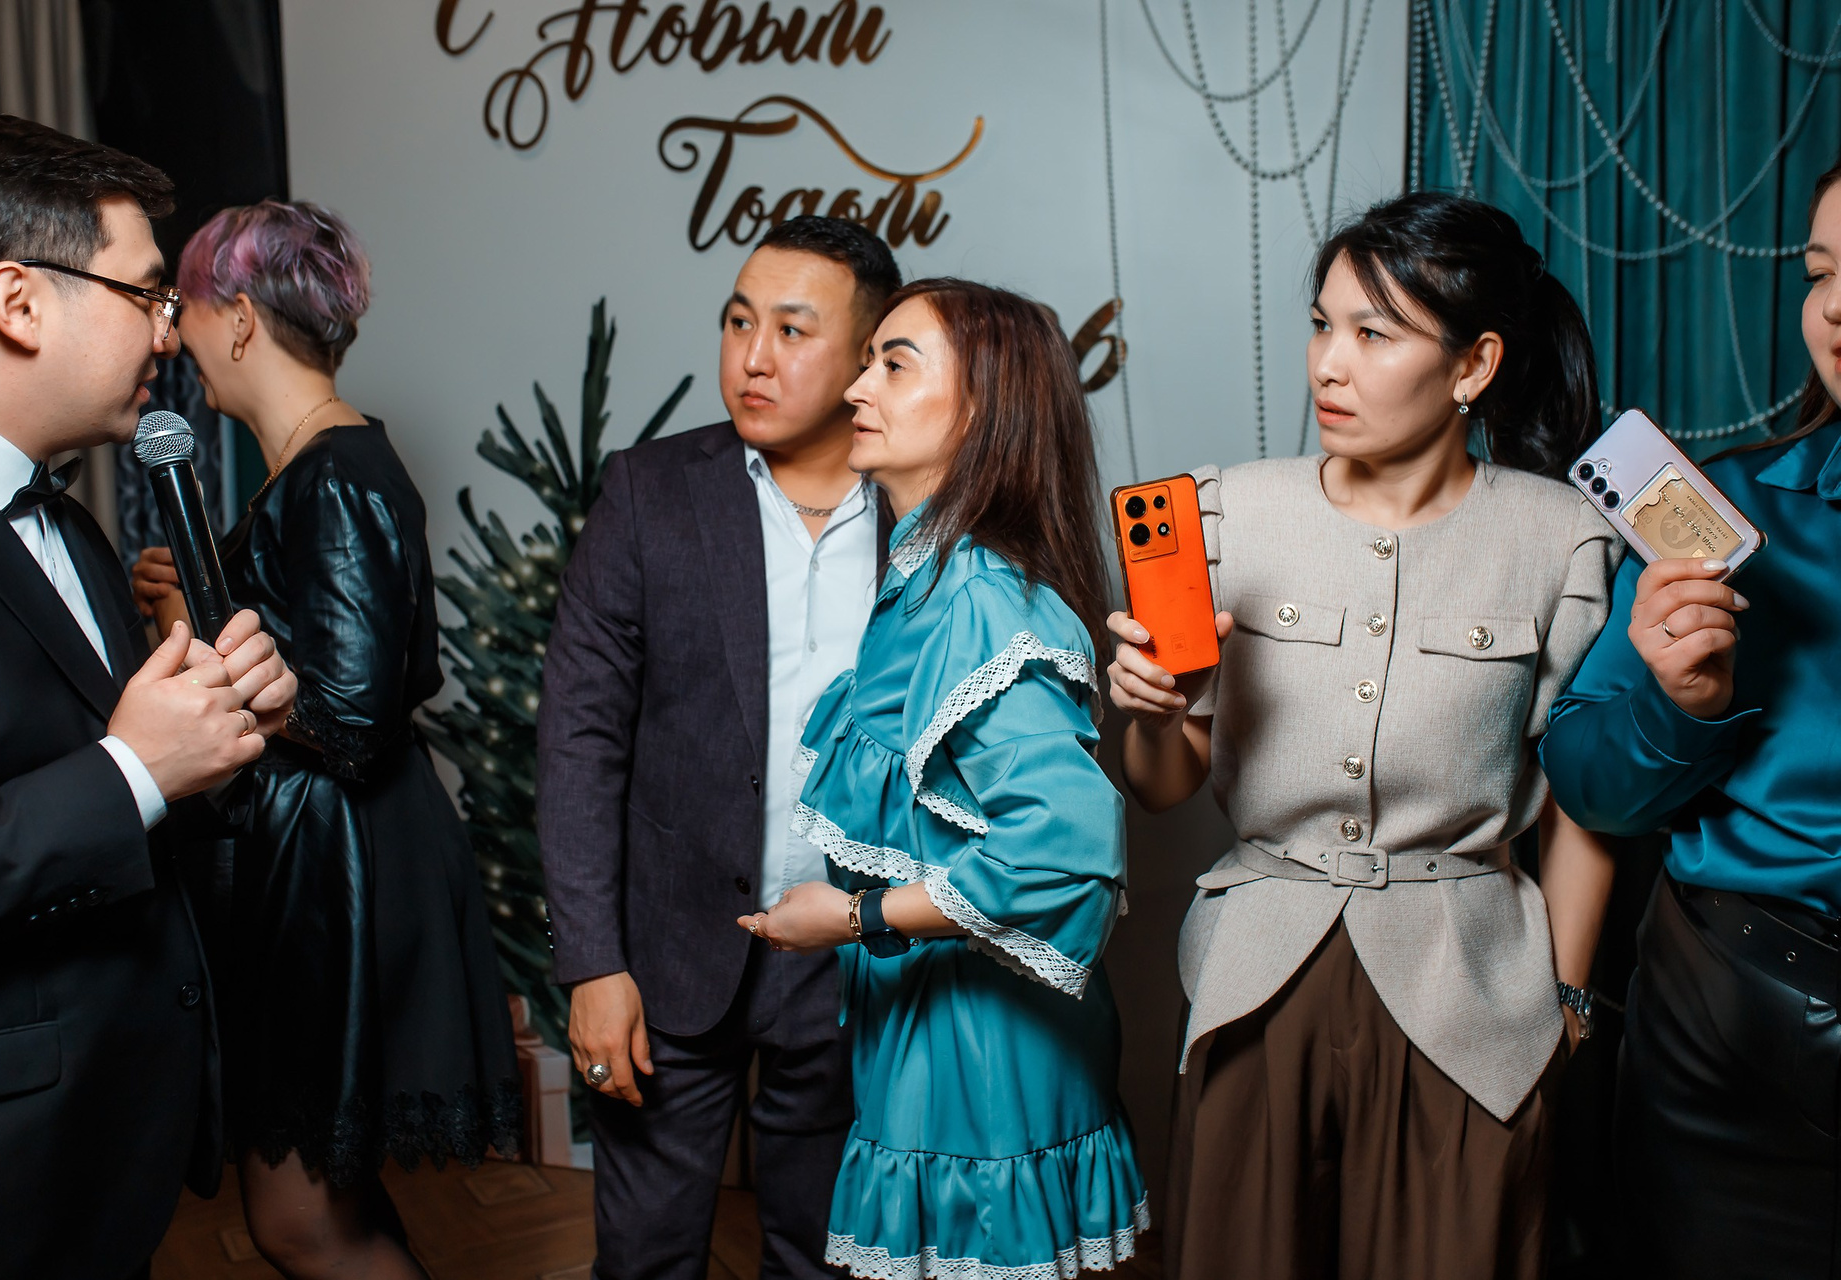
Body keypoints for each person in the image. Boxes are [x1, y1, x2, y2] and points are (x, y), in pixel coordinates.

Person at [1108, 193, 1620, 1280]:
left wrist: (1569, 1000)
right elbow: (1163, 784)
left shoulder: (1562, 538)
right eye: (1321, 325)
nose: (1329, 365)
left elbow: (1584, 792)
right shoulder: (1224, 512)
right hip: (1257, 978)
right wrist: (1148, 715)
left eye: (1374, 334)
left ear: (1474, 365)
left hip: (1474, 993)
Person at [0, 116, 295, 1279]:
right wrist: (132, 767)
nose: (172, 332)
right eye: (145, 294)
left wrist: (219, 738)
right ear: (18, 301)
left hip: (101, 1150)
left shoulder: (71, 521)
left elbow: (129, 796)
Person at [133, 200, 520, 1278]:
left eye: (183, 307)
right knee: (324, 1206)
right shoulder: (311, 465)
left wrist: (190, 629)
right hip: (319, 864)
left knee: (299, 1221)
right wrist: (195, 608)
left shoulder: (338, 471)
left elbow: (348, 717)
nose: (172, 333)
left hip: (341, 871)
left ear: (239, 319)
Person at [747, 278, 1148, 1279]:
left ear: (981, 410)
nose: (857, 389)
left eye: (896, 365)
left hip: (985, 1054)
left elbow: (1058, 855)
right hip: (933, 1030)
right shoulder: (924, 579)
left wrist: (852, 918)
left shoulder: (977, 596)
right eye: (867, 362)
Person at [538, 215, 900, 1280]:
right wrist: (593, 961)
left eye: (792, 329)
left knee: (826, 1260)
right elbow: (579, 737)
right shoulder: (649, 491)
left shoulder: (925, 508)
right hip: (667, 956)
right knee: (644, 1258)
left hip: (854, 957)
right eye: (739, 322)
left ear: (867, 354)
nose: (752, 357)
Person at [1539, 154, 1841, 1279]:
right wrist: (1680, 708)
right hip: (1731, 1039)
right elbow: (1584, 780)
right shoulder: (1731, 513)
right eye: (1820, 274)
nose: (1835, 307)